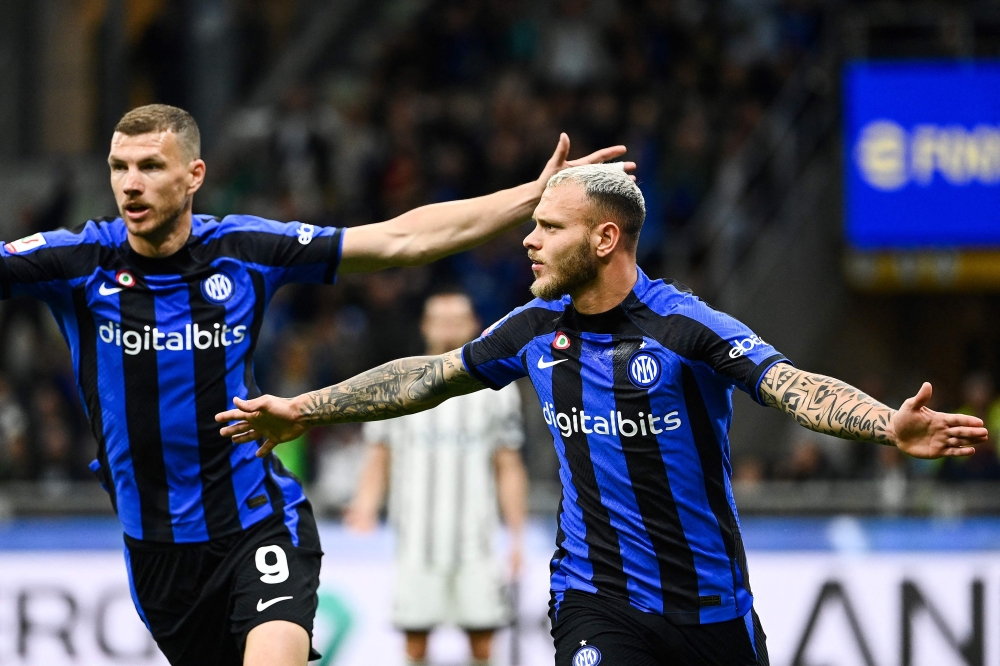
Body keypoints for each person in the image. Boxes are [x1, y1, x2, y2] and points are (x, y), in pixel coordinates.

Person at [217, 164, 987, 666]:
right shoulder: (529, 329)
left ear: (605, 237)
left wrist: (886, 423)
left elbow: (790, 386)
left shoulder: (686, 327)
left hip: (712, 609)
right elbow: (429, 376)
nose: (529, 240)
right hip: (596, 603)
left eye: (549, 227)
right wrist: (306, 409)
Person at [0, 104, 632, 666]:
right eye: (119, 167)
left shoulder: (241, 249)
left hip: (256, 521)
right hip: (157, 549)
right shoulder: (79, 261)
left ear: (193, 176)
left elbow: (400, 240)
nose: (131, 184)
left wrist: (530, 197)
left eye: (150, 166)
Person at [344, 290, 527, 666]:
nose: (447, 327)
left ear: (472, 325)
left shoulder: (497, 391)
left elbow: (508, 465)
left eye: (456, 319)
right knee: (414, 642)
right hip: (417, 541)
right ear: (425, 325)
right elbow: (379, 455)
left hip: (475, 542)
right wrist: (364, 506)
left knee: (482, 642)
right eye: (440, 319)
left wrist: (517, 536)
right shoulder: (397, 385)